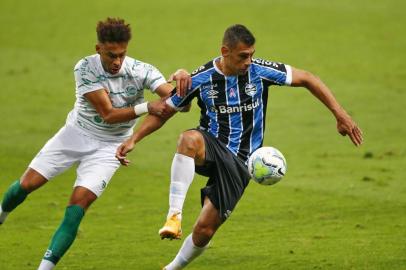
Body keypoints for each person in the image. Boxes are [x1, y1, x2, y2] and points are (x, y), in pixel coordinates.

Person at [116, 24, 363, 269]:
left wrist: (340, 115)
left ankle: (172, 268)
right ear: (225, 51)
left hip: (242, 163)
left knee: (204, 230)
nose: (248, 61)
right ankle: (174, 216)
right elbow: (164, 111)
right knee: (188, 139)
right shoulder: (201, 78)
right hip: (211, 145)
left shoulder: (259, 71)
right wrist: (133, 139)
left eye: (251, 55)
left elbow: (308, 78)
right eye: (243, 56)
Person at [0, 17, 190, 270]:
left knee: (78, 206)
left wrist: (183, 82)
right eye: (111, 55)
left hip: (110, 147)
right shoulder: (85, 68)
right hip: (74, 135)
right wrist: (147, 106)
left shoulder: (141, 70)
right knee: (26, 185)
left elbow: (181, 103)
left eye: (122, 55)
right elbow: (108, 115)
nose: (117, 62)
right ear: (98, 48)